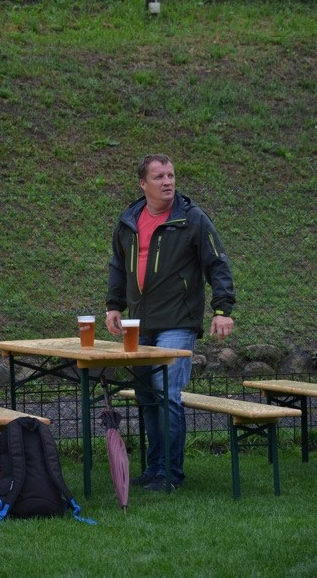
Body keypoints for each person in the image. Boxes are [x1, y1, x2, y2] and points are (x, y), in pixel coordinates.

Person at [105, 154, 235, 491]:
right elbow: (118, 265)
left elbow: (217, 263)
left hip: (178, 321)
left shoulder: (192, 218)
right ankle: (155, 468)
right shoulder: (128, 220)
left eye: (171, 175)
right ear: (143, 184)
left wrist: (223, 310)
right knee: (147, 397)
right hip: (139, 324)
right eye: (159, 176)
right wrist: (114, 305)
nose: (168, 182)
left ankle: (170, 474)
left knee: (167, 394)